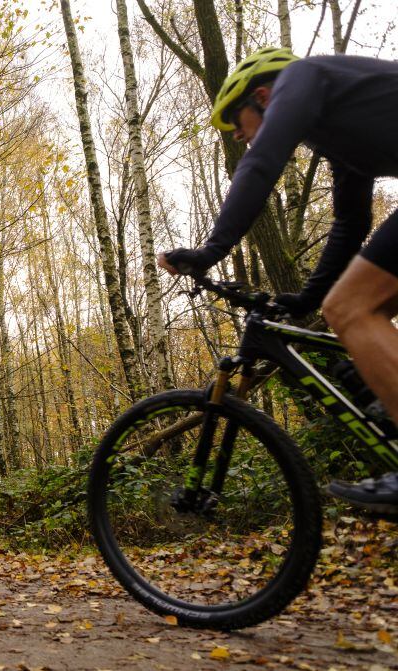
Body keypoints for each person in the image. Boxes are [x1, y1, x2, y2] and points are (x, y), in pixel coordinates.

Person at [158, 47, 398, 515]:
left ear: (264, 96)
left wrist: (212, 250)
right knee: (358, 310)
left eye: (241, 128)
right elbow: (351, 224)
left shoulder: (304, 76)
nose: (244, 141)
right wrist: (308, 298)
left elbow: (263, 162)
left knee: (352, 309)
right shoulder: (341, 133)